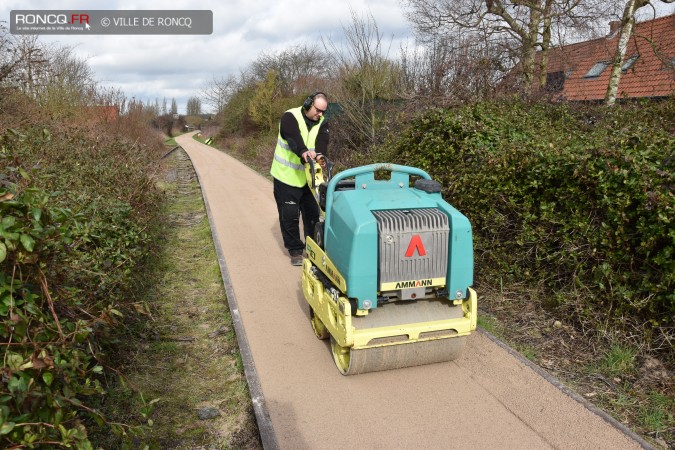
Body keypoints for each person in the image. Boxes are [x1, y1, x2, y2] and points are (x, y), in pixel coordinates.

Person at [270, 91, 330, 266]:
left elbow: (323, 141)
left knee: (312, 215)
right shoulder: (290, 117)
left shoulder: (323, 122)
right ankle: (295, 250)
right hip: (286, 177)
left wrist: (320, 156)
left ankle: (312, 250)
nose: (320, 114)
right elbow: (292, 138)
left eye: (323, 111)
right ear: (307, 104)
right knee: (289, 215)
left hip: (310, 179)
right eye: (318, 110)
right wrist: (303, 151)